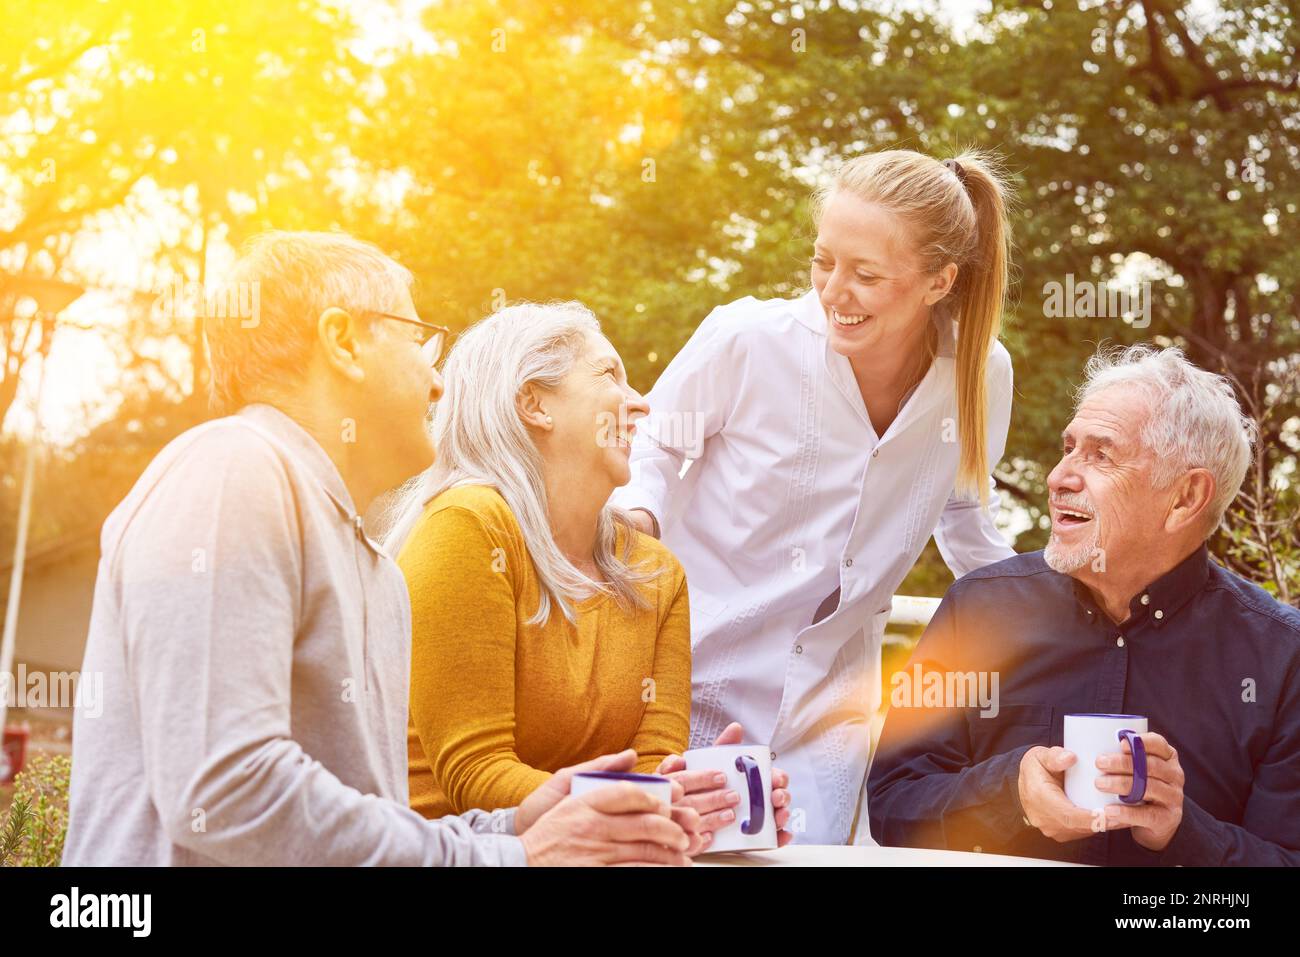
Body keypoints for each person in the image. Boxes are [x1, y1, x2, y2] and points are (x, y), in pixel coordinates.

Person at [62, 231, 695, 866]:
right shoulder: (234, 468)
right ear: (342, 343)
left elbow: (372, 825)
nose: (439, 381)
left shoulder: (375, 570)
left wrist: (514, 825)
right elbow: (227, 789)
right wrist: (510, 860)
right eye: (419, 337)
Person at [610, 148, 1018, 844]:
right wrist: (638, 514)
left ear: (938, 281)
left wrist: (1050, 605)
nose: (835, 290)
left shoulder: (980, 377)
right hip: (688, 683)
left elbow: (962, 513)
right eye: (823, 261)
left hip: (828, 714)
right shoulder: (749, 340)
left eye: (866, 274)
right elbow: (656, 441)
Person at [868, 345, 1300, 865]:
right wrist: (1012, 795)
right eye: (1068, 448)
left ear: (1186, 498)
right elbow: (893, 805)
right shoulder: (977, 609)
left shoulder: (1281, 658)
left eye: (1100, 455)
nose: (1059, 478)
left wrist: (1181, 830)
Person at [384, 302, 792, 853]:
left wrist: (699, 801)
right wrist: (644, 804)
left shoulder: (655, 571)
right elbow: (475, 775)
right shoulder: (468, 527)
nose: (640, 404)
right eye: (609, 375)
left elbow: (652, 766)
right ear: (534, 403)